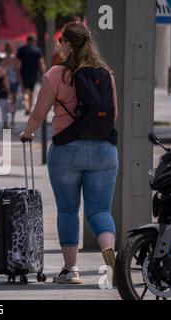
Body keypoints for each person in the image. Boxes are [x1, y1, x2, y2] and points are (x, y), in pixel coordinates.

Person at [20, 22, 119, 285]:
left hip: (66, 151)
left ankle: (70, 270)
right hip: (104, 151)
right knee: (100, 210)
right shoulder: (106, 75)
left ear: (67, 44)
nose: (58, 45)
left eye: (61, 40)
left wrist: (27, 133)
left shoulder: (56, 75)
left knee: (67, 210)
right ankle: (110, 257)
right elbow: (114, 115)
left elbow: (39, 113)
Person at [16, 35, 46, 115]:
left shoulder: (21, 50)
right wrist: (43, 73)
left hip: (24, 72)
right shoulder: (37, 50)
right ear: (33, 41)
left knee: (25, 90)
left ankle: (26, 107)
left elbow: (18, 63)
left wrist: (17, 74)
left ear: (27, 40)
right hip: (34, 73)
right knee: (32, 91)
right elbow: (41, 63)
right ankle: (30, 107)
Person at [1, 43, 21, 128]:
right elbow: (17, 72)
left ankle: (5, 122)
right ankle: (12, 120)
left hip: (4, 82)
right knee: (13, 101)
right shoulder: (15, 60)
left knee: (4, 102)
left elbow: (1, 72)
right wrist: (20, 82)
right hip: (13, 82)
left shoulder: (2, 60)